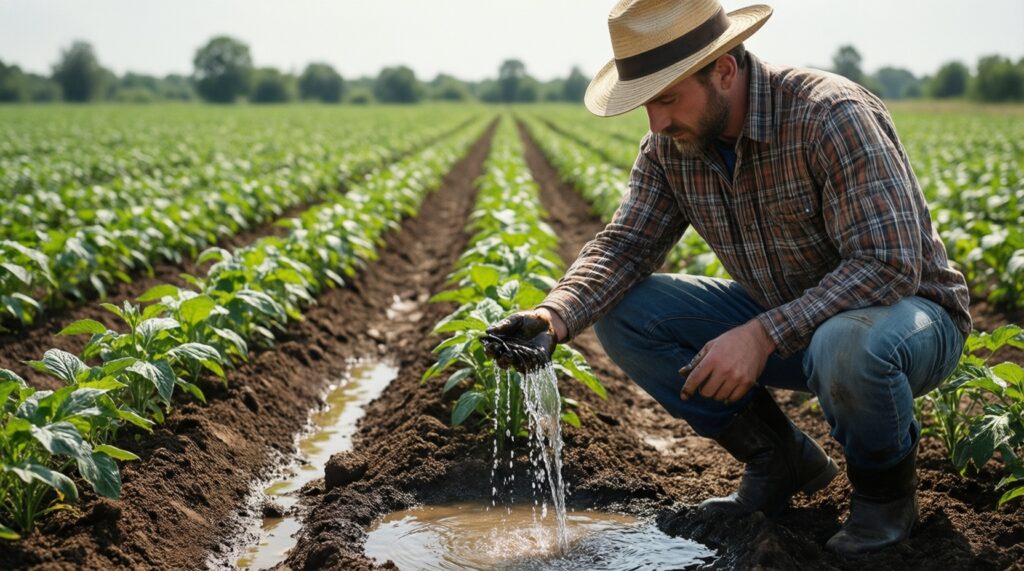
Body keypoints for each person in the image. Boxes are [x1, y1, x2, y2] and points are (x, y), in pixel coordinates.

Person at [483, 0, 971, 558]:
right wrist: (553, 315)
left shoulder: (828, 115)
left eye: (667, 98)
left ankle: (884, 498)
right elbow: (627, 245)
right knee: (626, 312)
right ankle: (779, 459)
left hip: (907, 322)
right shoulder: (672, 147)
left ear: (723, 70)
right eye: (646, 104)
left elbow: (887, 263)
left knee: (846, 341)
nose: (657, 122)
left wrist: (761, 334)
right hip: (792, 321)